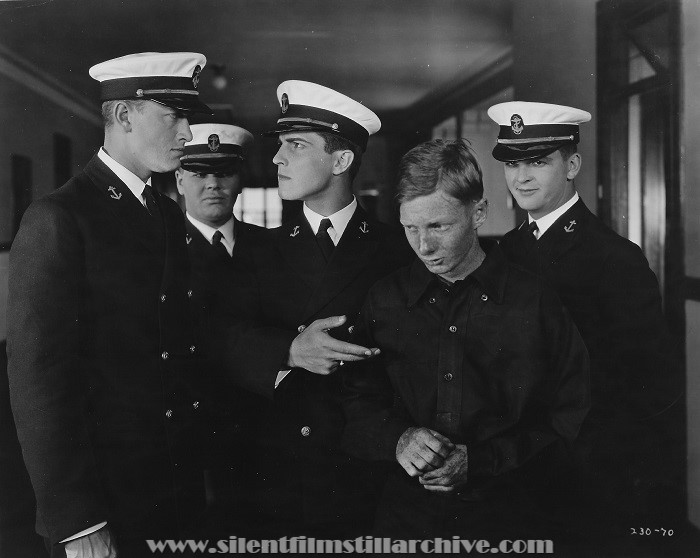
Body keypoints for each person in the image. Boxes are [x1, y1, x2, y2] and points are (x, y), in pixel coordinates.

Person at [7, 52, 213, 558]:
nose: (188, 133)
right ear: (123, 116)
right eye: (174, 116)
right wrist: (77, 522)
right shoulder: (59, 218)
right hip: (105, 501)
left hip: (171, 488)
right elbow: (39, 381)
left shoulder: (164, 213)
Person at [341, 139, 590, 541]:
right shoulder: (383, 299)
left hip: (512, 521)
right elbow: (355, 400)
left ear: (479, 213)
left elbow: (570, 416)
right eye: (410, 227)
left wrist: (482, 461)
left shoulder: (535, 300)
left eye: (438, 226)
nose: (424, 246)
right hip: (406, 524)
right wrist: (398, 438)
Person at [213, 80, 413, 537]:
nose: (278, 159)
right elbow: (219, 336)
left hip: (363, 472)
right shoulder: (255, 249)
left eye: (296, 145)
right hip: (277, 477)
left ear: (341, 160)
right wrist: (289, 350)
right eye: (280, 146)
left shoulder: (397, 250)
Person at [488, 101, 679, 545]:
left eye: (538, 161)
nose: (522, 177)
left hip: (584, 474)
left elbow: (648, 384)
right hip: (511, 467)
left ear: (571, 164)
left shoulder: (615, 259)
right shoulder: (505, 254)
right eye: (512, 164)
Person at [174, 122, 265, 532]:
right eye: (198, 174)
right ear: (178, 179)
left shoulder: (271, 248)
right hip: (191, 436)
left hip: (265, 432)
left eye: (224, 172)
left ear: (239, 179)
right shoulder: (160, 252)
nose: (212, 184)